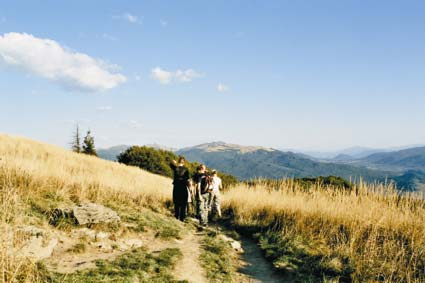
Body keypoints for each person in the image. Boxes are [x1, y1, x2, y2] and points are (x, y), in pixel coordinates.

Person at [170, 157, 190, 221]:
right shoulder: (186, 169)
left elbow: (170, 164)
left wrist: (174, 162)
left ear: (179, 161)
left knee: (177, 202)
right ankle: (182, 217)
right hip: (183, 186)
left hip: (176, 186)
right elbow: (187, 179)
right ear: (184, 162)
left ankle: (176, 216)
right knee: (183, 203)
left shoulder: (175, 168)